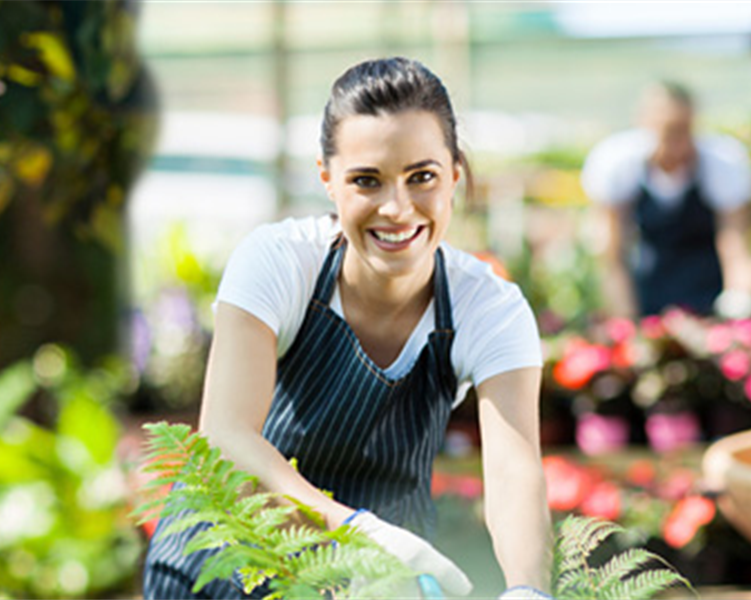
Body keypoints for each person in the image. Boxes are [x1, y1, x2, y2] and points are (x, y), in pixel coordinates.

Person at [143, 57, 552, 599]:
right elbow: (226, 438)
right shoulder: (281, 263)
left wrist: (528, 589)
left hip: (376, 586)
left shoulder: (489, 308)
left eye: (422, 177)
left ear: (455, 174)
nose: (397, 208)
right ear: (327, 181)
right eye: (367, 181)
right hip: (225, 563)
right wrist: (356, 533)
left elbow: (513, 472)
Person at [581, 81, 751, 319]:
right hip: (648, 285)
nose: (675, 139)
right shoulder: (618, 164)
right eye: (666, 129)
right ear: (644, 122)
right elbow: (612, 253)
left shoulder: (722, 163)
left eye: (683, 128)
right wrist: (626, 318)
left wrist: (737, 299)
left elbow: (734, 243)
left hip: (707, 283)